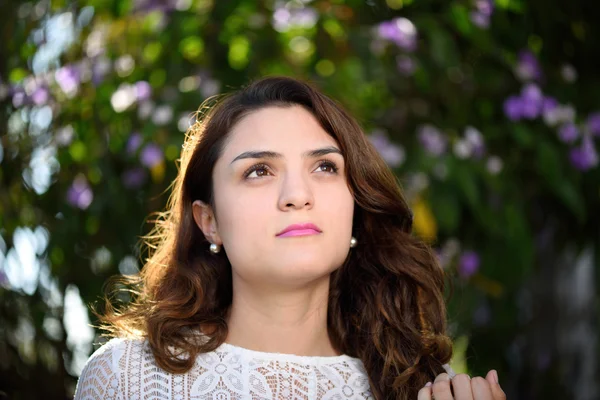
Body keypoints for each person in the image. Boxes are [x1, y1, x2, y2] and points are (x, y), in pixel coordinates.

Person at [73, 76, 505, 400]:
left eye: (325, 167)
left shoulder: (426, 388)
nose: (298, 195)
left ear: (355, 206)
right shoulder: (127, 378)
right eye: (258, 171)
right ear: (210, 222)